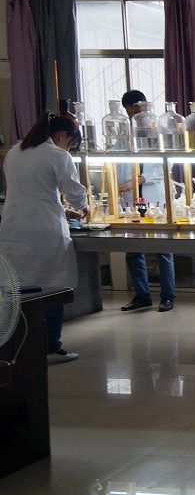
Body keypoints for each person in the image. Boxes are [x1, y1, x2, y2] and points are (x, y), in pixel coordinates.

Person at [0, 112, 88, 361]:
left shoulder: (15, 152)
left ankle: (21, 347)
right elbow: (73, 190)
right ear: (62, 135)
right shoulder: (57, 155)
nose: (68, 149)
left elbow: (30, 192)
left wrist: (62, 209)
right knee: (53, 287)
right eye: (70, 143)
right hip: (43, 232)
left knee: (17, 291)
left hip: (13, 228)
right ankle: (50, 347)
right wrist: (83, 207)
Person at [118, 89, 175, 312]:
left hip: (153, 198)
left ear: (142, 106)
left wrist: (139, 179)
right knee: (133, 250)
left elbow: (166, 165)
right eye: (128, 114)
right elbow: (119, 163)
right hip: (132, 200)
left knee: (163, 249)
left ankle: (167, 296)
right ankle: (142, 295)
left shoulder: (158, 129)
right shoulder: (125, 133)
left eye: (134, 112)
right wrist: (120, 185)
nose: (132, 117)